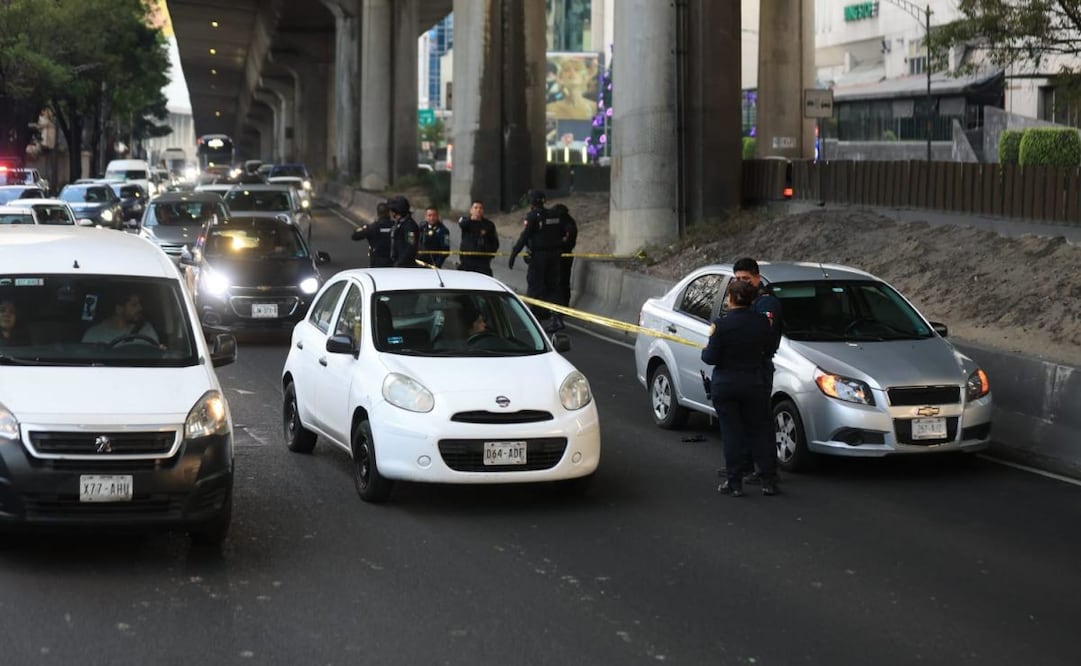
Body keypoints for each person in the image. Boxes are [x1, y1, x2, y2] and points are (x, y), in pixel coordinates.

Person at [701, 279, 780, 497]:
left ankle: (734, 482)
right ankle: (768, 480)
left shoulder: (721, 325)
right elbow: (769, 348)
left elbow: (710, 357)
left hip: (726, 385)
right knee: (760, 431)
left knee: (732, 433)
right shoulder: (762, 323)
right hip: (754, 383)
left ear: (732, 299)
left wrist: (707, 349)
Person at [732, 257, 784, 485]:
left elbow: (762, 336)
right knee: (744, 421)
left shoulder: (765, 304)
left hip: (759, 368)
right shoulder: (745, 302)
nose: (742, 283)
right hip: (745, 368)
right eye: (737, 279)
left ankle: (766, 471)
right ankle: (746, 467)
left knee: (759, 422)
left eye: (746, 279)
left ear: (757, 278)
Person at [509, 190, 566, 332]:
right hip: (554, 256)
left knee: (534, 287)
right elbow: (562, 234)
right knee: (553, 288)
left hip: (539, 257)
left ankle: (533, 321)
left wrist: (514, 254)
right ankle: (556, 318)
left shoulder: (534, 216)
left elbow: (524, 236)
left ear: (532, 202)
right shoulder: (554, 215)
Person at [82, 291, 160, 345]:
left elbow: (155, 356)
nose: (140, 308)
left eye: (140, 304)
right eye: (134, 305)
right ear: (119, 309)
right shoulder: (95, 334)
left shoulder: (146, 329)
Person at [458, 200, 499, 276]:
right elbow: (462, 224)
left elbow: (494, 241)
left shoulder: (488, 225)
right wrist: (471, 219)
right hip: (467, 260)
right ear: (471, 210)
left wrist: (490, 254)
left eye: (480, 208)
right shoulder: (466, 222)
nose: (478, 210)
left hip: (482, 260)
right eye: (475, 208)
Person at [351, 201, 395, 267]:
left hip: (377, 263)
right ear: (389, 213)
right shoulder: (396, 226)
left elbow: (354, 236)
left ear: (378, 213)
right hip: (394, 262)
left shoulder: (372, 227)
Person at [550, 203, 578, 308]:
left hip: (560, 255)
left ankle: (561, 304)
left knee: (560, 281)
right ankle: (564, 303)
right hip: (566, 254)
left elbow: (567, 239)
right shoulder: (570, 222)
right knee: (564, 280)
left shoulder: (564, 223)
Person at [387, 196, 420, 268]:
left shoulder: (409, 226)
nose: (390, 213)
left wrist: (400, 263)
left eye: (392, 210)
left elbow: (410, 247)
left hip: (405, 266)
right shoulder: (399, 223)